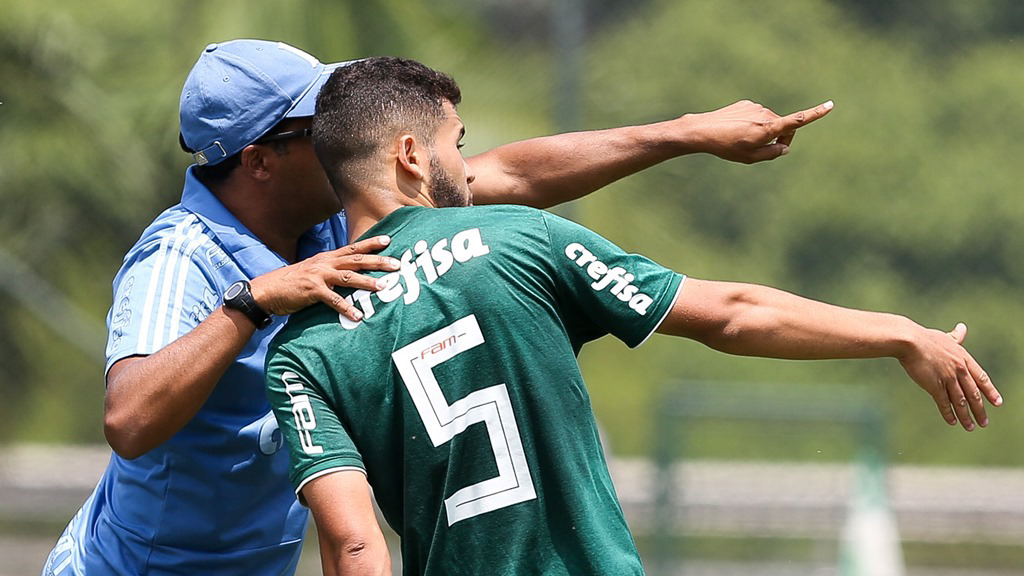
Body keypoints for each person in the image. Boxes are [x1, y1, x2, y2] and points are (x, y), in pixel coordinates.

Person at [40, 37, 832, 576]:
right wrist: (250, 304)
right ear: (260, 160)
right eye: (319, 125)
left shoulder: (335, 219)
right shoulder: (182, 257)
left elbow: (506, 177)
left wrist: (687, 133)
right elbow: (129, 420)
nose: (345, 131)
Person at [263, 56, 1001, 576]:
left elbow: (354, 549)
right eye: (459, 145)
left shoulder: (303, 350)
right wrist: (902, 333)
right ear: (410, 156)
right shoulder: (520, 239)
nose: (469, 166)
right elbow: (731, 314)